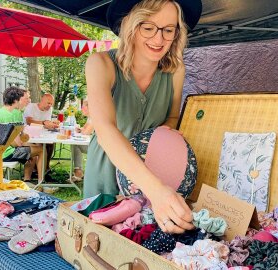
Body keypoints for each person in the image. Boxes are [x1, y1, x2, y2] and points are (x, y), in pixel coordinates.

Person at [84, 0, 202, 234]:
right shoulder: (100, 64)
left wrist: (167, 134)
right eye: (148, 28)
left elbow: (170, 118)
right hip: (108, 168)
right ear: (130, 26)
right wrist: (156, 191)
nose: (159, 40)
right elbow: (106, 130)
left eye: (168, 30)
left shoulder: (175, 71)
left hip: (154, 172)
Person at [0, 87, 44, 182]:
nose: (26, 101)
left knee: (33, 149)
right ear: (15, 100)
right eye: (22, 98)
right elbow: (17, 143)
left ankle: (29, 180)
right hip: (5, 153)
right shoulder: (12, 115)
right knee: (41, 150)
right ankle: (40, 182)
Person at [23, 93, 58, 173]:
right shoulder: (31, 107)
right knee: (41, 144)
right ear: (42, 100)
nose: (50, 105)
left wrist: (52, 125)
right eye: (48, 103)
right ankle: (36, 169)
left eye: (51, 104)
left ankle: (46, 167)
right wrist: (43, 123)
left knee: (50, 144)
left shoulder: (49, 109)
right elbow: (29, 121)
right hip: (29, 134)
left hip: (42, 133)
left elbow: (47, 122)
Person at [71, 100, 93, 181]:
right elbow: (84, 128)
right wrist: (81, 129)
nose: (81, 109)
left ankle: (78, 171)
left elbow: (86, 132)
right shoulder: (90, 117)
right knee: (75, 144)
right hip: (92, 144)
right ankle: (78, 171)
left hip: (97, 147)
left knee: (75, 144)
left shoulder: (94, 117)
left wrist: (83, 130)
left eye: (83, 107)